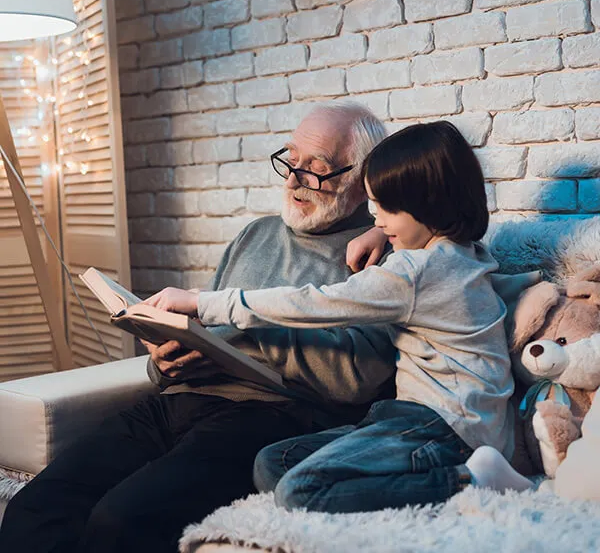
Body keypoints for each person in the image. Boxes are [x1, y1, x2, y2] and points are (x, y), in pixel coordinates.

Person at [0, 103, 398, 552]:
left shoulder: (382, 256)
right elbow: (208, 325)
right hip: (178, 399)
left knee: (120, 519)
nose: (292, 179)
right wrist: (167, 359)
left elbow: (357, 380)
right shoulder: (256, 234)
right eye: (289, 159)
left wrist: (248, 339)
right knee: (35, 508)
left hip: (272, 417)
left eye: (316, 169)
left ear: (363, 180)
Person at [147, 121, 535, 514]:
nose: (374, 217)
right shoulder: (464, 254)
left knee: (299, 491)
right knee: (271, 465)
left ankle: (471, 481)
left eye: (385, 208)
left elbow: (313, 303)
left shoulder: (413, 274)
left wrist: (203, 303)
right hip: (418, 417)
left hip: (446, 427)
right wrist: (384, 233)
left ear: (429, 205)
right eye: (372, 204)